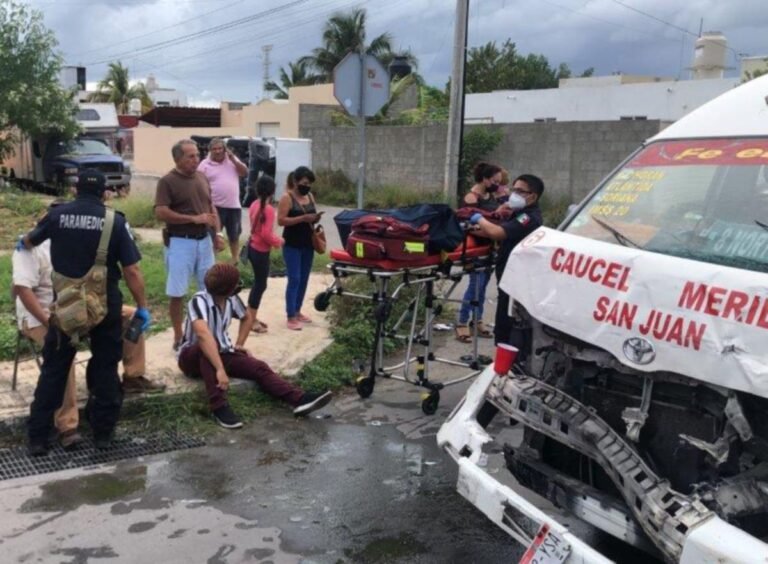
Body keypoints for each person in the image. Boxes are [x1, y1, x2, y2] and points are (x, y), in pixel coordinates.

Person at [18, 171, 150, 455]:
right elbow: (132, 270)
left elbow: (30, 240)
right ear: (105, 193)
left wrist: (24, 244)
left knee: (54, 371)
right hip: (105, 307)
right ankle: (103, 433)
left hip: (66, 309)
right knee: (105, 368)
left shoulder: (57, 215)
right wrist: (142, 306)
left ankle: (38, 438)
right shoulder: (115, 221)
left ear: (76, 190)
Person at [177, 263, 333, 429]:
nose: (238, 286)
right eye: (236, 284)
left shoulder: (231, 300)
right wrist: (220, 369)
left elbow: (247, 318)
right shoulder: (198, 301)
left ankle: (298, 399)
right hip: (191, 357)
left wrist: (239, 344)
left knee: (258, 367)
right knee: (207, 349)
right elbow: (202, 335)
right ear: (228, 288)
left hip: (222, 353)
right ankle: (219, 407)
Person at [155, 139, 226, 349]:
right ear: (178, 159)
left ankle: (209, 332)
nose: (196, 159)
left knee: (211, 288)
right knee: (177, 292)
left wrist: (217, 233)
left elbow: (211, 206)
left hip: (204, 242)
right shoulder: (167, 181)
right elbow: (160, 211)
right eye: (191, 156)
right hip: (180, 243)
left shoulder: (202, 177)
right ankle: (179, 336)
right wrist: (192, 219)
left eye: (197, 155)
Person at [470, 174, 545, 353]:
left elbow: (498, 233)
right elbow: (495, 231)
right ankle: (503, 360)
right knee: (504, 318)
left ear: (532, 196)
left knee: (509, 322)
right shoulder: (517, 213)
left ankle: (508, 366)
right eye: (513, 189)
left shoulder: (528, 217)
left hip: (517, 279)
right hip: (508, 275)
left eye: (520, 191)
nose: (514, 194)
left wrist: (479, 218)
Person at [456, 162, 503, 343]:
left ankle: (478, 320)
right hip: (475, 247)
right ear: (485, 179)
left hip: (490, 247)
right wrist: (491, 230)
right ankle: (462, 323)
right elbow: (467, 225)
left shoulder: (492, 195)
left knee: (483, 287)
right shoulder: (471, 198)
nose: (497, 184)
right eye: (495, 181)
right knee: (475, 285)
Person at [277, 166, 323, 331]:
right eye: (304, 183)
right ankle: (290, 315)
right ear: (295, 181)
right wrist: (303, 218)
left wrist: (314, 219)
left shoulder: (309, 196)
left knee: (304, 278)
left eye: (309, 183)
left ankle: (297, 310)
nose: (307, 186)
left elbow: (312, 215)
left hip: (308, 243)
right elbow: (281, 221)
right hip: (292, 244)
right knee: (294, 278)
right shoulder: (287, 198)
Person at [197, 138, 248, 264]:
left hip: (233, 205)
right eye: (214, 149)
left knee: (234, 235)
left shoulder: (232, 161)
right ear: (210, 150)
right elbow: (198, 182)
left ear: (225, 149)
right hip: (215, 206)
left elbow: (245, 172)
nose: (218, 151)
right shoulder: (204, 164)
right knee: (214, 235)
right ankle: (212, 261)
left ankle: (235, 259)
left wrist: (233, 159)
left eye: (220, 148)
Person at [246, 175, 284, 333]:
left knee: (258, 284)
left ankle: (251, 316)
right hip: (260, 251)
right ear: (272, 191)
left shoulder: (254, 204)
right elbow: (266, 234)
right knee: (260, 285)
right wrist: (279, 241)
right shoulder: (268, 209)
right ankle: (251, 320)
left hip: (252, 248)